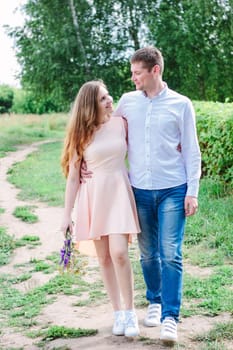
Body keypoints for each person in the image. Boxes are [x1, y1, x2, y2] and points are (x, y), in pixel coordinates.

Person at [82, 47, 201, 344]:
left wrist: (193, 191)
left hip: (174, 188)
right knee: (148, 254)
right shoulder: (127, 103)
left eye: (137, 73)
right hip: (139, 191)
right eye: (133, 73)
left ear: (154, 71)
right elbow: (100, 127)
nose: (133, 79)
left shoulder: (181, 104)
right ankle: (155, 301)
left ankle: (170, 317)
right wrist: (85, 162)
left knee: (171, 252)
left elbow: (191, 149)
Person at [60, 80, 141, 338]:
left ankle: (131, 312)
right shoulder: (80, 135)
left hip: (118, 191)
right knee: (104, 257)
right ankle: (117, 312)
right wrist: (66, 215)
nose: (109, 101)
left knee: (119, 253)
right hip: (93, 196)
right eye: (103, 99)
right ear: (90, 106)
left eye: (108, 96)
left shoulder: (121, 123)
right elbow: (73, 177)